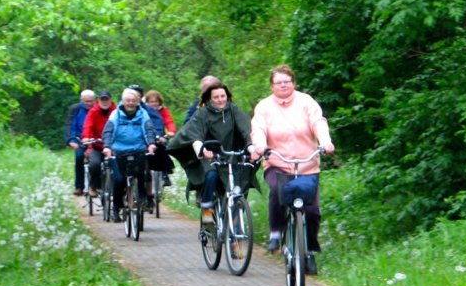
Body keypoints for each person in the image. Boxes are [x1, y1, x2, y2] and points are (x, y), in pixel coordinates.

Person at [250, 64, 335, 275]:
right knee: (279, 193)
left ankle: (309, 252)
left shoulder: (306, 102)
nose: (283, 86)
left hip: (307, 164)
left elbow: (318, 122)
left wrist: (325, 142)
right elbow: (258, 128)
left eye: (287, 82)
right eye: (278, 83)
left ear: (294, 83)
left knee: (312, 210)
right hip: (278, 163)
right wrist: (260, 146)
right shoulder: (264, 107)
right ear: (272, 86)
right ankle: (277, 233)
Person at [168, 83, 257, 224]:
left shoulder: (234, 110)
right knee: (211, 174)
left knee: (239, 185)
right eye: (216, 97)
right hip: (210, 154)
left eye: (223, 96)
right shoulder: (202, 113)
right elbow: (194, 133)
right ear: (209, 99)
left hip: (231, 154)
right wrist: (202, 149)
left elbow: (246, 129)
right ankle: (207, 207)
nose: (220, 100)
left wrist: (251, 147)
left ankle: (236, 224)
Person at [102, 89, 157, 222]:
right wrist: (107, 147)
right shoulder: (116, 114)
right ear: (123, 101)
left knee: (141, 173)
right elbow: (108, 131)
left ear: (137, 102)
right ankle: (116, 207)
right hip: (119, 151)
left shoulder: (143, 114)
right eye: (128, 101)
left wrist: (151, 144)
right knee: (119, 179)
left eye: (133, 101)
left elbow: (149, 129)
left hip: (138, 150)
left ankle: (142, 198)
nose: (130, 103)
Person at [80, 90, 116, 197]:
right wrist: (86, 137)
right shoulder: (93, 111)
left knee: (119, 165)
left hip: (113, 145)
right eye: (102, 99)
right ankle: (93, 186)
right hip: (97, 145)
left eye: (106, 99)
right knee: (94, 164)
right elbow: (88, 125)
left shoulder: (116, 111)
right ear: (98, 100)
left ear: (110, 100)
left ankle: (120, 190)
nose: (104, 101)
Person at [66, 89, 96, 195]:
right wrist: (71, 140)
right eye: (86, 101)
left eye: (91, 101)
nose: (89, 104)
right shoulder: (75, 109)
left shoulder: (98, 108)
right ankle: (79, 187)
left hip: (95, 139)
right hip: (79, 139)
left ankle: (95, 185)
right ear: (81, 100)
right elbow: (71, 125)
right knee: (79, 157)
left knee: (97, 161)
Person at [144, 89, 176, 188]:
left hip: (160, 136)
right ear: (147, 102)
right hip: (147, 136)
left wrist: (171, 131)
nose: (154, 104)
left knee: (165, 148)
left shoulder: (163, 110)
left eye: (156, 101)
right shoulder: (144, 111)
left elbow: (169, 121)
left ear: (159, 102)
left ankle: (165, 173)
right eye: (151, 102)